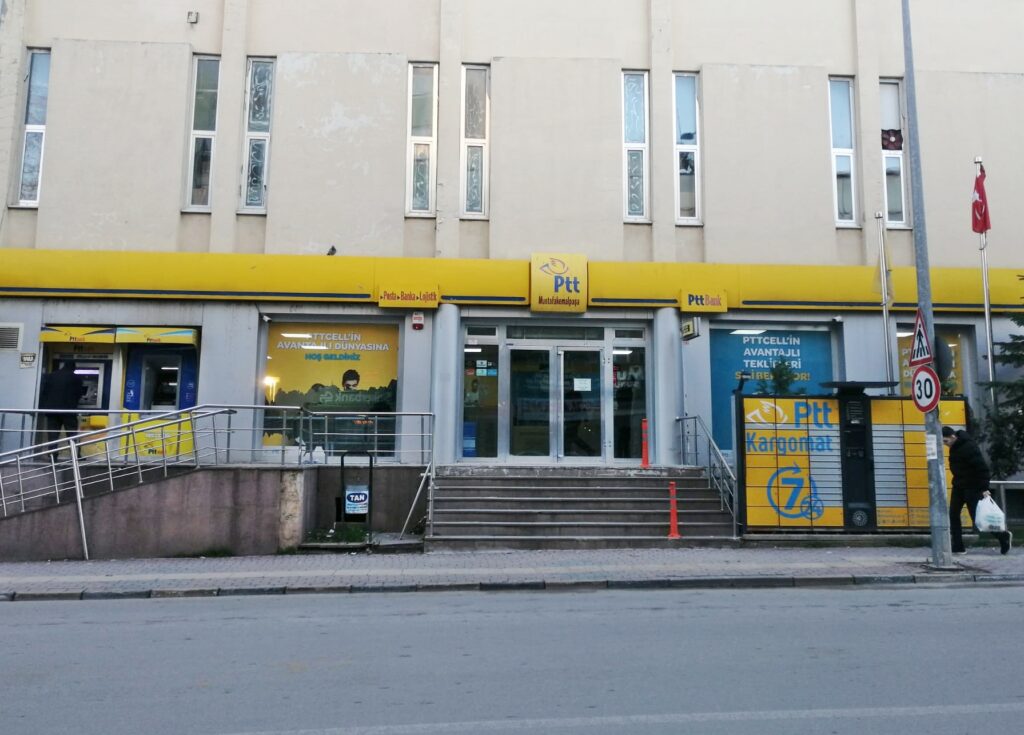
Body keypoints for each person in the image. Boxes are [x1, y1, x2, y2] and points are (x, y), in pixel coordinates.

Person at [942, 425, 1012, 555]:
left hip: (973, 487)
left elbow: (982, 468)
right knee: (953, 514)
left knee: (978, 517)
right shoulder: (954, 448)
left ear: (952, 436)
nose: (945, 444)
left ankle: (1003, 536)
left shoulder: (969, 447)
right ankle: (958, 546)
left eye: (946, 441)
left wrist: (984, 488)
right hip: (959, 486)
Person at [37, 361, 85, 445]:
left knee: (53, 437)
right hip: (69, 411)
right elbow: (79, 393)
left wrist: (42, 407)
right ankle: (74, 452)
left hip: (52, 411)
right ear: (73, 368)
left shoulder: (51, 376)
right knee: (72, 436)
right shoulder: (76, 378)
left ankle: (52, 452)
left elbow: (44, 393)